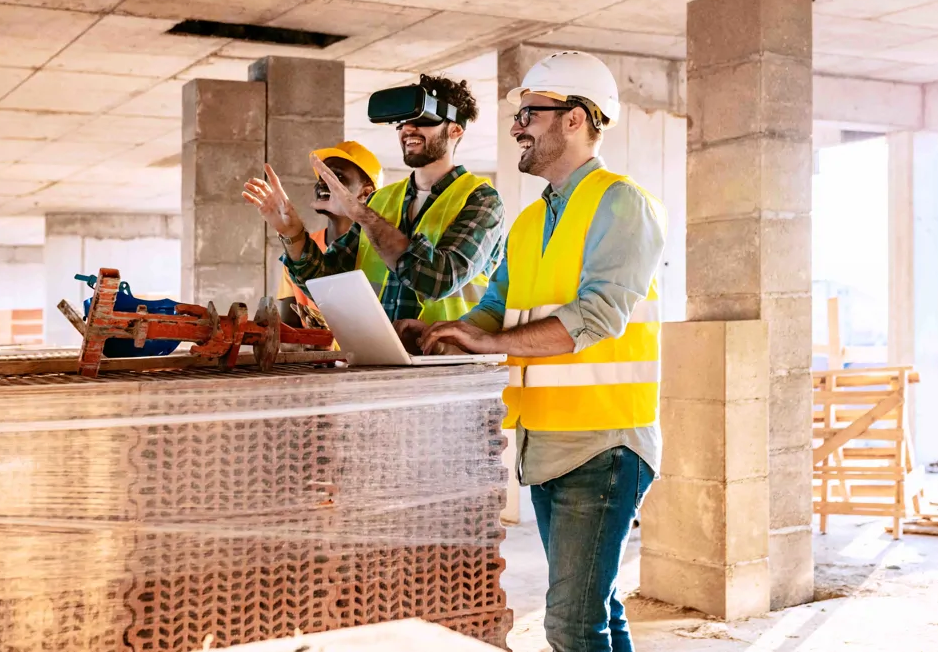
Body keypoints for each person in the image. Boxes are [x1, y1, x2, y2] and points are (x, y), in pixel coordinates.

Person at [404, 51, 666, 652]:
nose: (517, 125)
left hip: (603, 444)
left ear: (574, 119)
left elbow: (600, 314)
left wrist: (490, 343)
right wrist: (440, 332)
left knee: (572, 626)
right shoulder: (526, 222)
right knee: (595, 610)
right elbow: (493, 308)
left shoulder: (622, 202)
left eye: (530, 113)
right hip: (544, 444)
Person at [242, 74, 507, 324]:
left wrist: (361, 214)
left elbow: (438, 280)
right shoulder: (382, 199)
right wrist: (294, 233)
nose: (409, 128)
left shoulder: (481, 200)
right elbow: (327, 282)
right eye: (402, 121)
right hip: (382, 355)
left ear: (455, 130)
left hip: (451, 364)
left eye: (424, 119)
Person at [274, 141, 382, 327]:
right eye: (321, 177)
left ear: (365, 193)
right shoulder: (297, 253)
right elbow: (289, 333)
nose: (322, 183)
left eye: (336, 176)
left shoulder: (382, 251)